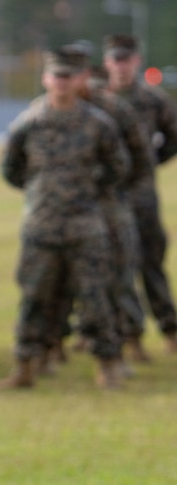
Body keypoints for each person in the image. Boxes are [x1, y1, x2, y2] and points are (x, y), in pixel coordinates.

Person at [0, 49, 129, 389]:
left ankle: (108, 363)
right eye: (56, 75)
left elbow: (118, 167)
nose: (61, 82)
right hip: (41, 223)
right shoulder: (29, 122)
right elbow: (10, 169)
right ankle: (26, 364)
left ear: (80, 79)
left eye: (68, 76)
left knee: (96, 295)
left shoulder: (98, 123)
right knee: (34, 295)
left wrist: (87, 191)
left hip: (85, 225)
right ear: (46, 78)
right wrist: (41, 191)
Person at [103, 34, 177, 353]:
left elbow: (174, 136)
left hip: (141, 193)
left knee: (151, 260)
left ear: (136, 61)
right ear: (108, 63)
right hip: (106, 194)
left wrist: (150, 163)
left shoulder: (153, 99)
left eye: (126, 59)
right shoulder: (99, 98)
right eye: (115, 59)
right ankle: (126, 334)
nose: (121, 66)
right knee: (111, 264)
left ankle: (169, 328)